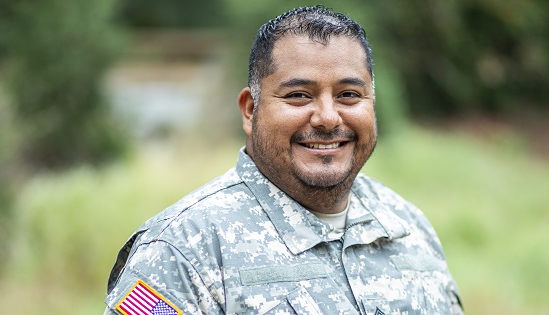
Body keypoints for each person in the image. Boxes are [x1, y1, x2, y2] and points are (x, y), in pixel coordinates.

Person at [104, 6, 463, 315]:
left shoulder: (409, 228)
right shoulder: (181, 251)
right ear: (250, 110)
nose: (327, 117)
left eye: (349, 95)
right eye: (298, 95)